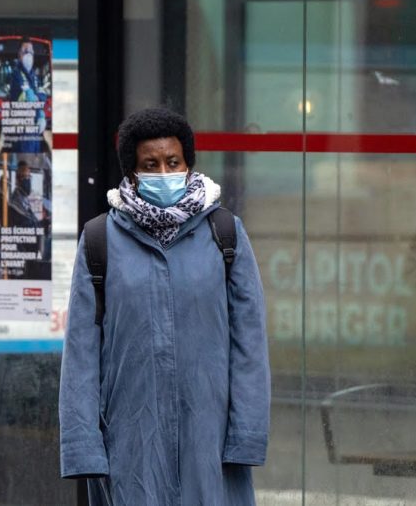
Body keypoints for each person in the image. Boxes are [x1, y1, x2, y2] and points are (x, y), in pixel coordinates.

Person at [58, 108, 270, 505]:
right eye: (150, 165)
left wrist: (247, 435)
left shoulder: (224, 234)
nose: (164, 172)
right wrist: (83, 447)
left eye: (173, 162)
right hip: (130, 444)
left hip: (211, 441)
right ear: (132, 173)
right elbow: (81, 356)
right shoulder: (100, 240)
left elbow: (250, 343)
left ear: (188, 163)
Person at [6, 37, 48, 153]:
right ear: (19, 54)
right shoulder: (16, 75)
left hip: (35, 129)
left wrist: (41, 115)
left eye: (31, 51)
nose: (29, 54)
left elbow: (43, 94)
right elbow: (27, 99)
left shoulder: (34, 75)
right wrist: (36, 99)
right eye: (25, 51)